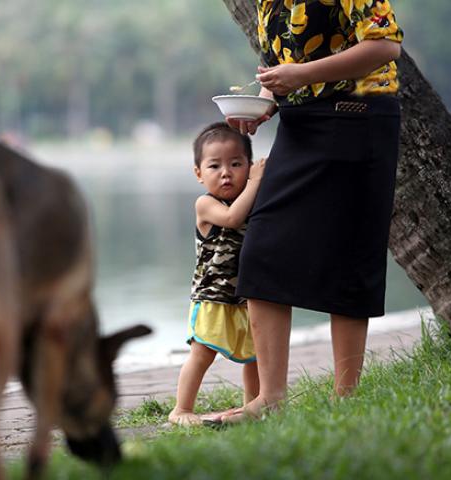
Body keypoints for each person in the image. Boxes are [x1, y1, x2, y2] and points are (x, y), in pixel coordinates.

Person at [212, 0, 404, 423]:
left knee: (351, 258)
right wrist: (264, 102)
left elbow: (386, 45)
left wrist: (299, 75)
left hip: (359, 118)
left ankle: (346, 399)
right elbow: (279, 68)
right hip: (300, 126)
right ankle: (270, 400)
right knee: (262, 249)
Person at [168, 122, 266, 425]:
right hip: (212, 297)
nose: (226, 172)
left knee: (255, 355)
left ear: (248, 166)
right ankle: (181, 410)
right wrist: (255, 183)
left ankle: (253, 407)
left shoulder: (253, 201)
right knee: (202, 354)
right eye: (215, 165)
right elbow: (232, 218)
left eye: (236, 164)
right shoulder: (206, 204)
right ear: (198, 173)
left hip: (246, 298)